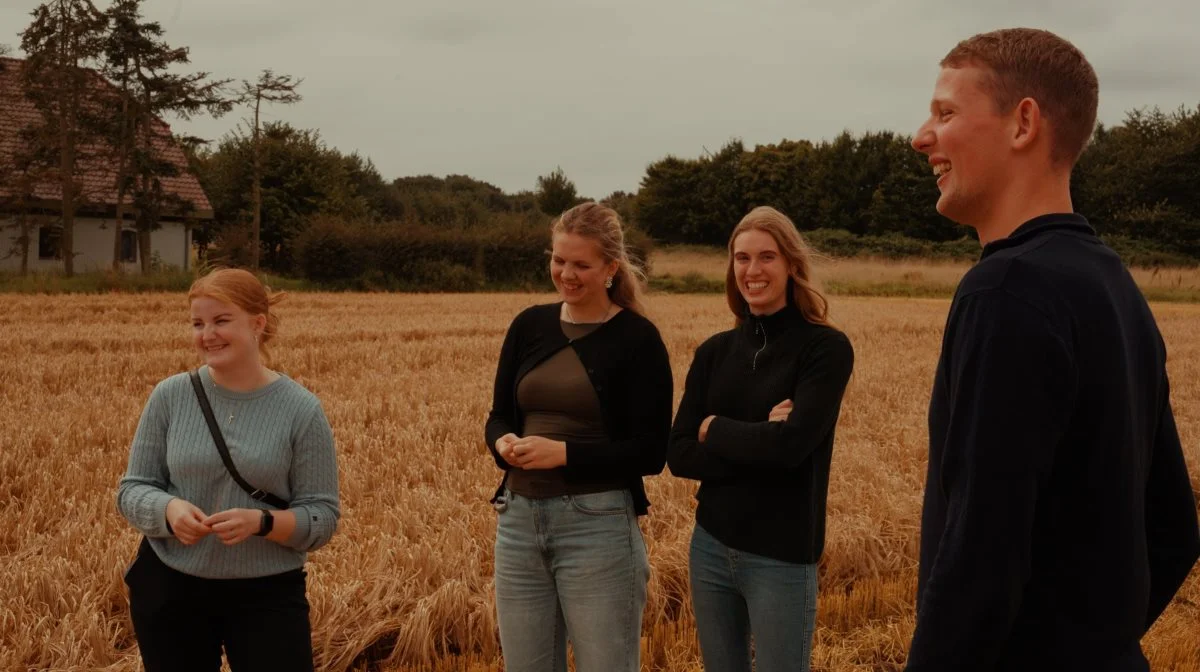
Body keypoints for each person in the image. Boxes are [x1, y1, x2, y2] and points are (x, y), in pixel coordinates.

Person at [905, 28, 1200, 671]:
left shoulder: (1006, 288)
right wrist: (1092, 642)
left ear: (1023, 124)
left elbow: (979, 559)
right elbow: (1174, 529)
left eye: (946, 112)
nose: (920, 136)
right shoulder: (1114, 284)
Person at [117, 267, 340, 672]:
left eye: (221, 321)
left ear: (258, 323)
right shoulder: (169, 396)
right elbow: (133, 489)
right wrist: (169, 511)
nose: (207, 335)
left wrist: (263, 522)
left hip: (266, 593)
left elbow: (322, 517)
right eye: (198, 323)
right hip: (170, 586)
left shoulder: (301, 410)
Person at [483, 201, 673, 672]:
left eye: (581, 264)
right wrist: (502, 443)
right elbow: (499, 416)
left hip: (598, 525)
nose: (566, 273)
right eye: (558, 259)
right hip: (518, 522)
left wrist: (563, 454)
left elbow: (651, 452)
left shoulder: (637, 339)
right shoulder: (529, 325)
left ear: (610, 268)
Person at [666, 205, 854, 672]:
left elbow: (791, 449)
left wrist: (716, 429)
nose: (753, 270)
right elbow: (679, 453)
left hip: (782, 554)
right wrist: (762, 438)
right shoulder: (714, 352)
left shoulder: (824, 349)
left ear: (791, 263)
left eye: (767, 257)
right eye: (742, 258)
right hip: (710, 546)